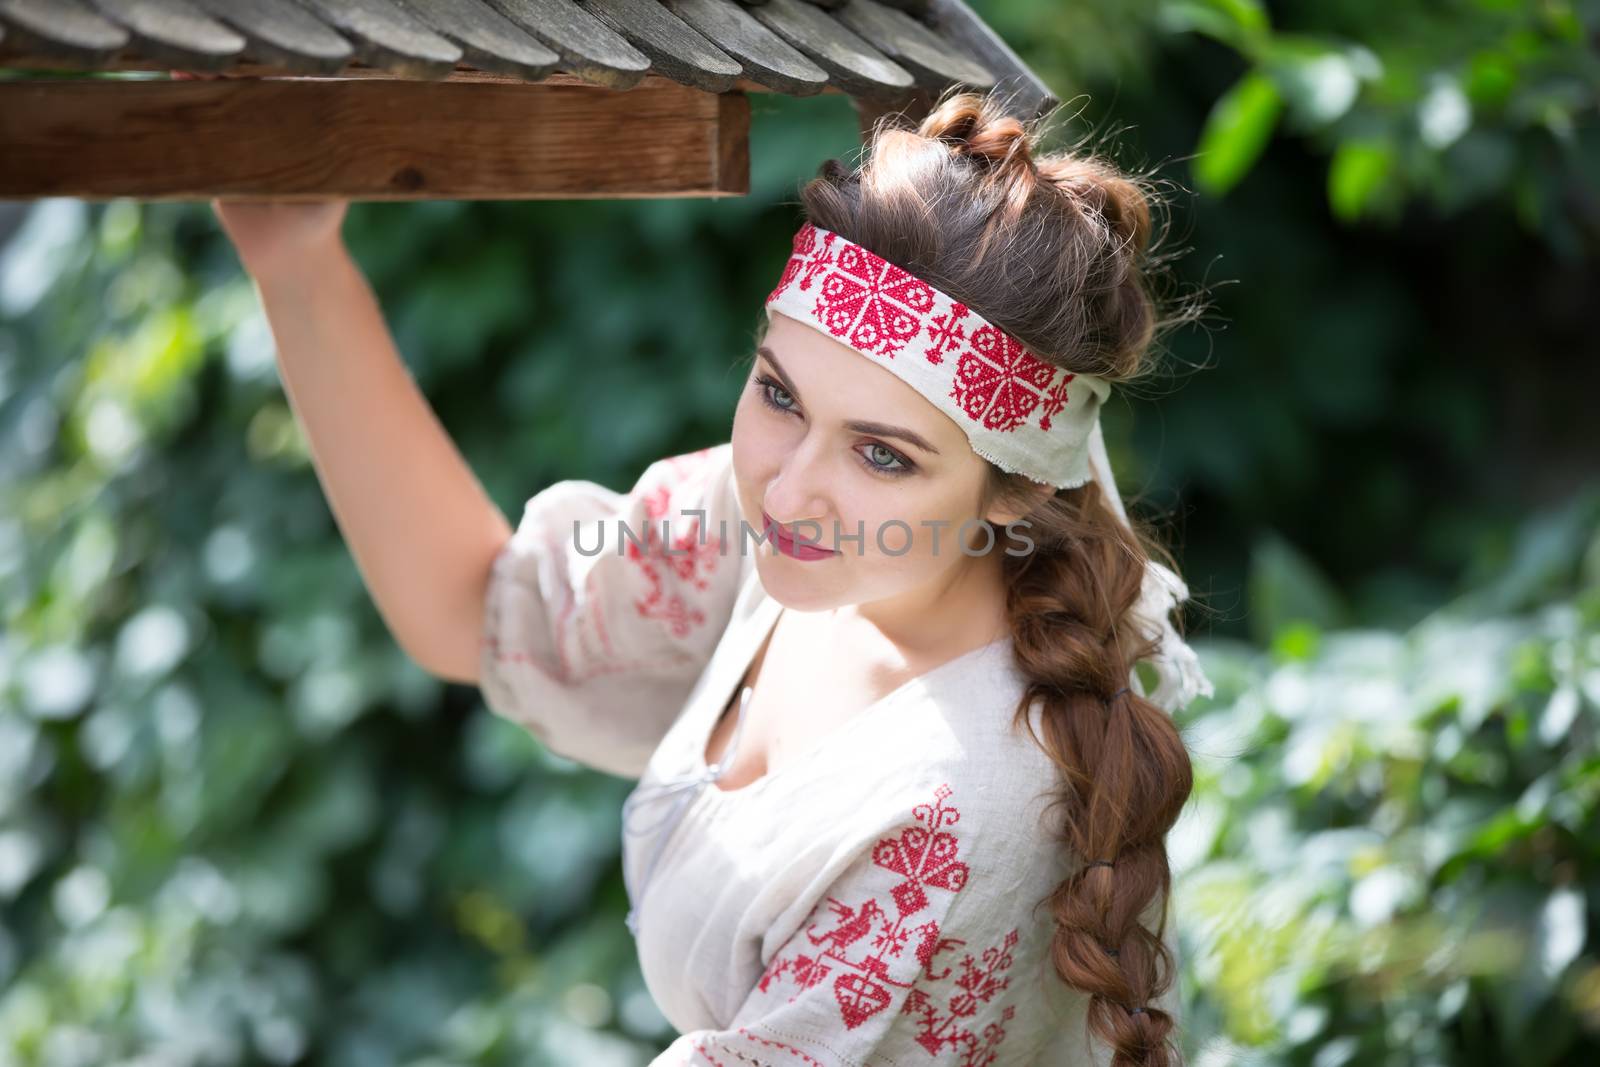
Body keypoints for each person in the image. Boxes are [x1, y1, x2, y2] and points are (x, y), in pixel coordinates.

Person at [219, 87, 1213, 1066]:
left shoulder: (958, 812)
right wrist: (295, 260)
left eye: (882, 456)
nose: (790, 487)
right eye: (779, 393)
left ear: (1008, 492)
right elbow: (475, 607)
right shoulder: (782, 539)